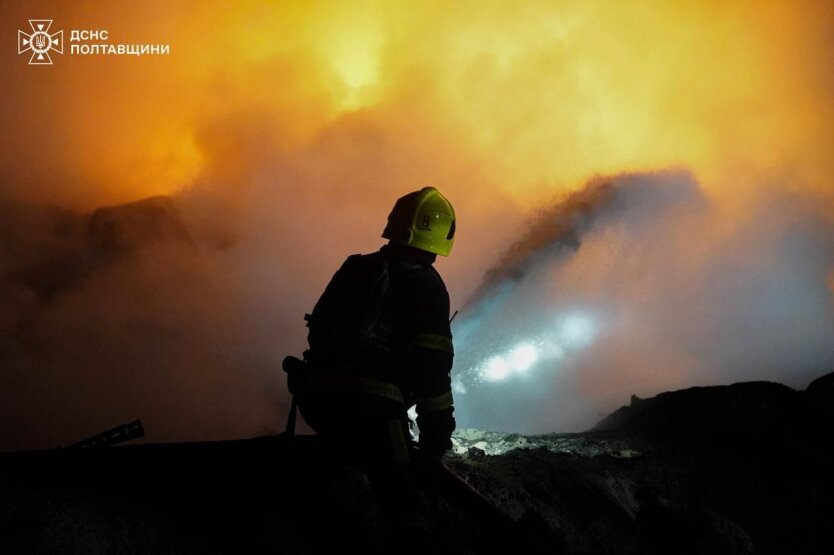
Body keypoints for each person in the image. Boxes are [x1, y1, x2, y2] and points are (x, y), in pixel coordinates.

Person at [295, 186, 457, 537]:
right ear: (441, 236)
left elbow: (318, 332)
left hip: (318, 401)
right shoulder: (426, 285)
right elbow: (432, 368)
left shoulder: (356, 266)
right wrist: (437, 435)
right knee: (403, 501)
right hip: (376, 409)